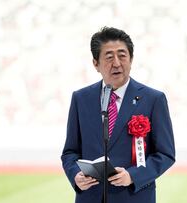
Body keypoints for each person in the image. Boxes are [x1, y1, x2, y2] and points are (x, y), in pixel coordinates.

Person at [61, 27, 175, 203]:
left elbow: (165, 154)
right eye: (108, 57)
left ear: (131, 59)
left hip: (134, 197)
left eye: (122, 55)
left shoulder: (153, 99)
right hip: (90, 197)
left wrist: (132, 175)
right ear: (95, 63)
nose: (116, 63)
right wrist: (75, 175)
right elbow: (70, 152)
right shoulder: (81, 98)